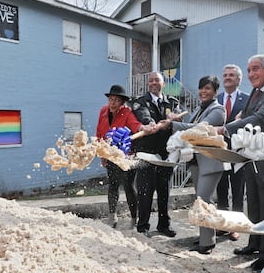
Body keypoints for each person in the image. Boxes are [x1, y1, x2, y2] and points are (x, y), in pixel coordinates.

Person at [219, 54, 264, 273]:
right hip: (252, 160)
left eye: (255, 69)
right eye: (249, 70)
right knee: (255, 206)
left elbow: (259, 118)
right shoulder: (257, 91)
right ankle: (254, 245)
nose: (251, 74)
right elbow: (248, 114)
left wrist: (225, 128)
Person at [157, 75, 227, 254]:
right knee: (200, 200)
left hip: (210, 161)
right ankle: (205, 237)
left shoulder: (218, 110)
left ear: (215, 92)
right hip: (196, 161)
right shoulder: (198, 108)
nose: (204, 91)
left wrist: (172, 125)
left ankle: (207, 243)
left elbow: (198, 129)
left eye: (208, 88)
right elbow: (189, 127)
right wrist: (177, 123)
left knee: (204, 200)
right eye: (201, 88)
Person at [131, 72, 182, 237]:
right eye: (151, 80)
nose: (154, 83)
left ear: (163, 83)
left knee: (164, 192)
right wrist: (150, 123)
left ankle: (163, 225)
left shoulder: (172, 102)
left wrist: (175, 119)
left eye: (157, 80)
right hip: (147, 155)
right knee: (145, 192)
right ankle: (143, 226)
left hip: (165, 155)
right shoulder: (140, 102)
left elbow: (180, 118)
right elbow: (143, 116)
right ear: (148, 84)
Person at [96, 85, 151, 228]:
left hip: (126, 156)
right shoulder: (103, 111)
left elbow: (135, 124)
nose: (113, 103)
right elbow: (99, 133)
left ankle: (134, 218)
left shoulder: (126, 112)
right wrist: (102, 153)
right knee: (113, 185)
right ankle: (112, 216)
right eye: (111, 99)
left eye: (116, 100)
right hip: (111, 154)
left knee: (128, 186)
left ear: (122, 103)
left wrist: (143, 128)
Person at [215, 64, 249, 241]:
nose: (227, 77)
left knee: (237, 190)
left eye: (231, 75)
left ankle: (235, 226)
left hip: (238, 152)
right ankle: (223, 224)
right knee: (221, 189)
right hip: (220, 151)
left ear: (239, 79)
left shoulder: (248, 100)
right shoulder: (217, 99)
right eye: (225, 75)